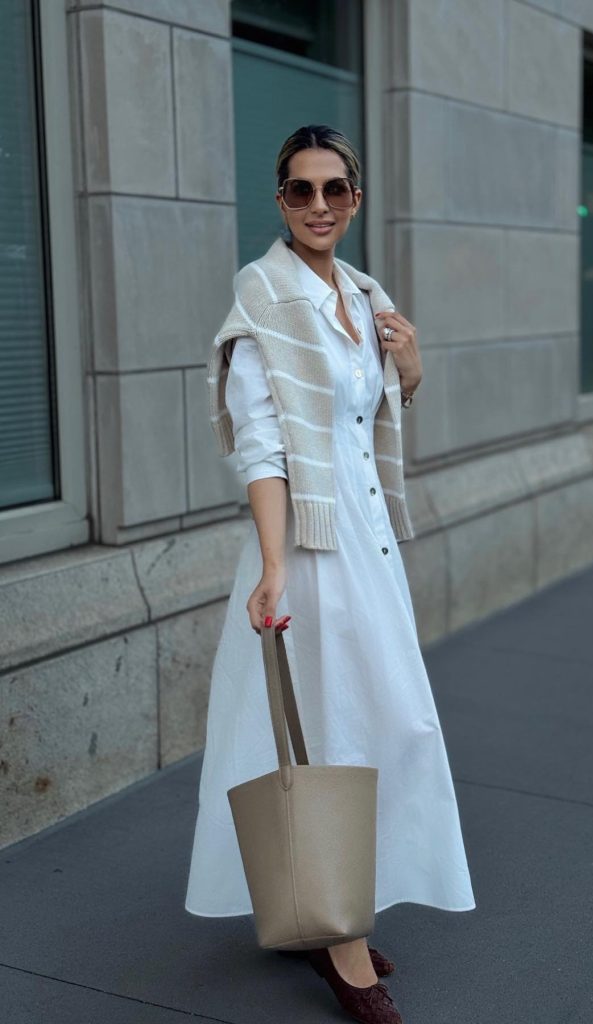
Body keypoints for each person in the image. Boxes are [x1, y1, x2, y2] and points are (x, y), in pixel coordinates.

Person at [185, 124, 475, 1023]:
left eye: (335, 190)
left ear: (355, 199)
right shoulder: (263, 291)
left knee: (384, 721)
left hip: (367, 539)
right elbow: (262, 444)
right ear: (280, 200)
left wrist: (411, 367)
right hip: (308, 548)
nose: (319, 206)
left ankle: (332, 909)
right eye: (301, 191)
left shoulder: (362, 292)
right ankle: (340, 944)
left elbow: (361, 416)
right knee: (336, 725)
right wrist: (274, 565)